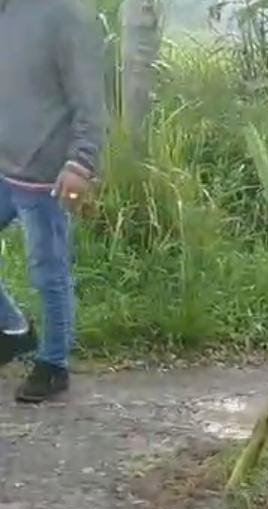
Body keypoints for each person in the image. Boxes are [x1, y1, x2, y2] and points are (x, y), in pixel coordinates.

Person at [0, 0, 105, 403]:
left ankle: (54, 363)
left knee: (47, 270)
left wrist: (81, 161)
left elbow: (90, 99)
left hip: (45, 174)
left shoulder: (64, 15)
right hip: (3, 165)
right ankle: (13, 332)